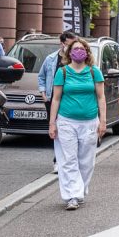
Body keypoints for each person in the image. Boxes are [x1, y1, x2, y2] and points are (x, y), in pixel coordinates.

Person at [48, 38, 106, 210]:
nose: (79, 51)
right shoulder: (63, 72)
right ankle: (72, 195)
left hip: (89, 122)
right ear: (69, 53)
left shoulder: (94, 72)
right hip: (66, 121)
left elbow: (101, 97)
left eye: (82, 48)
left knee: (86, 161)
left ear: (87, 52)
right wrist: (52, 123)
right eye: (75, 49)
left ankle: (80, 189)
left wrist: (103, 121)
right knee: (68, 160)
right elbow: (56, 99)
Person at [38, 32, 78, 172]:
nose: (72, 47)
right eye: (69, 44)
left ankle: (70, 159)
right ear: (61, 43)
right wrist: (43, 93)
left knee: (70, 129)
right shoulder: (51, 59)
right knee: (56, 130)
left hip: (70, 99)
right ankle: (57, 160)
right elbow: (41, 76)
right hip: (52, 99)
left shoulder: (76, 59)